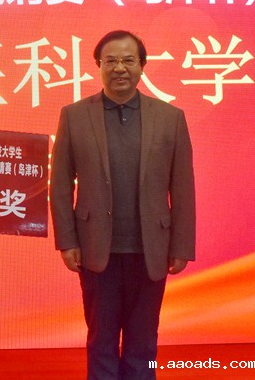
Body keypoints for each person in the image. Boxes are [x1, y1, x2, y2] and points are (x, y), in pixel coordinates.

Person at [50, 30, 196, 380]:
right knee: (100, 341)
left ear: (142, 66)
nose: (120, 68)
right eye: (111, 61)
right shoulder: (74, 115)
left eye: (129, 60)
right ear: (98, 66)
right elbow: (59, 184)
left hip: (151, 251)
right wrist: (67, 241)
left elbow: (183, 188)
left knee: (143, 345)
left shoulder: (170, 117)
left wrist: (181, 247)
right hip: (96, 250)